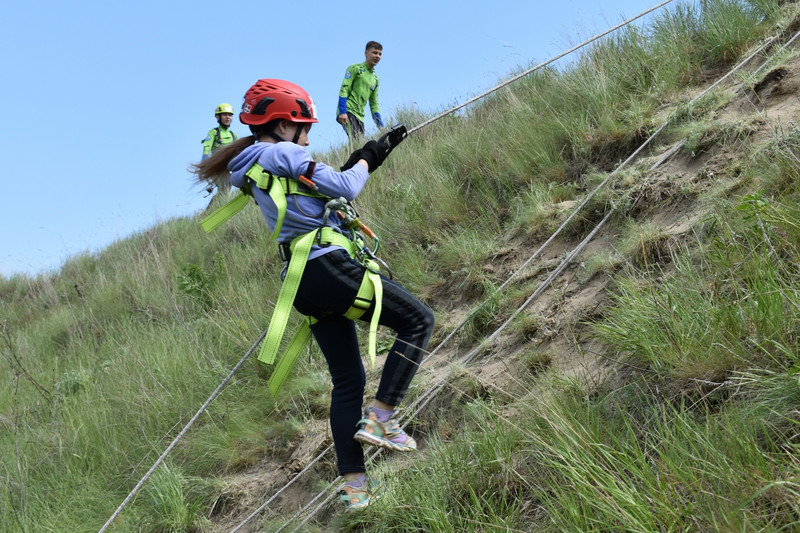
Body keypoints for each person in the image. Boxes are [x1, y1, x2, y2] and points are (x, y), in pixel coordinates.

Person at [191, 79, 434, 512]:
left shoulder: (251, 163)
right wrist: (369, 157)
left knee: (348, 380)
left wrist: (364, 158)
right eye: (304, 127)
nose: (308, 137)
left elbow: (316, 191)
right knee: (418, 321)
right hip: (325, 265)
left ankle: (355, 486)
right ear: (283, 125)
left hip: (299, 281)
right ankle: (380, 420)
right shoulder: (282, 152)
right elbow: (345, 187)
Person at [337, 41, 385, 140]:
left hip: (360, 116)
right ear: (366, 53)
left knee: (360, 143)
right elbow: (344, 89)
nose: (378, 56)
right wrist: (342, 111)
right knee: (355, 140)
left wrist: (380, 126)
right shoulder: (355, 68)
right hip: (348, 110)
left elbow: (374, 104)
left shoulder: (375, 79)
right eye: (375, 53)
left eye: (380, 54)